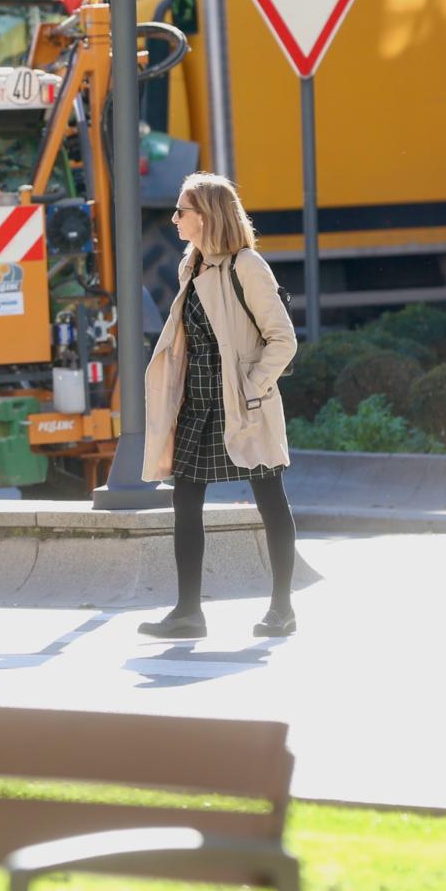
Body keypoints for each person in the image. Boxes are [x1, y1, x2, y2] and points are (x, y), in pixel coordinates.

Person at [139, 173, 300, 639]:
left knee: (270, 496)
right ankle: (188, 612)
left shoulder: (246, 265)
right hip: (198, 403)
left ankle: (282, 609)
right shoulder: (192, 266)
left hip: (243, 402)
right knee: (185, 500)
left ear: (207, 215)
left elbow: (283, 339)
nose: (174, 219)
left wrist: (253, 387)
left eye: (181, 211)